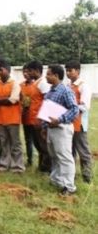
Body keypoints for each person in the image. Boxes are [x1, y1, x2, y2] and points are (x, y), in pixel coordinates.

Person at [44, 64, 79, 195]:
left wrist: (59, 119)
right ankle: (57, 180)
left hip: (61, 128)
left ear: (56, 76)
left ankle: (69, 187)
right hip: (51, 129)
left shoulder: (65, 90)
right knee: (54, 156)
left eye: (48, 74)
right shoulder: (49, 92)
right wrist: (44, 127)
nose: (46, 76)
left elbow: (74, 109)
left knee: (64, 157)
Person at [0, 60, 25, 173]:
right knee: (3, 143)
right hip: (0, 119)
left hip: (13, 119)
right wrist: (5, 99)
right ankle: (4, 165)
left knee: (15, 144)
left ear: (8, 70)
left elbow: (13, 100)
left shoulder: (15, 83)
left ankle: (18, 167)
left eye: (1, 69)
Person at [65, 61, 93, 183]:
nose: (68, 73)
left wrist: (71, 108)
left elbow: (84, 106)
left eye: (70, 70)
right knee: (70, 151)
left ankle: (87, 177)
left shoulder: (83, 86)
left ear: (78, 71)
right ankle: (72, 176)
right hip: (68, 123)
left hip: (79, 123)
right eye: (67, 70)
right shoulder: (67, 85)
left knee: (83, 151)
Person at [23, 61, 51, 171]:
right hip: (33, 119)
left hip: (40, 120)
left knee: (43, 146)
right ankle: (41, 167)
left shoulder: (43, 83)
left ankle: (47, 169)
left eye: (30, 71)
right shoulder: (36, 83)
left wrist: (42, 119)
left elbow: (48, 101)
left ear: (37, 71)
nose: (28, 73)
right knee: (38, 145)